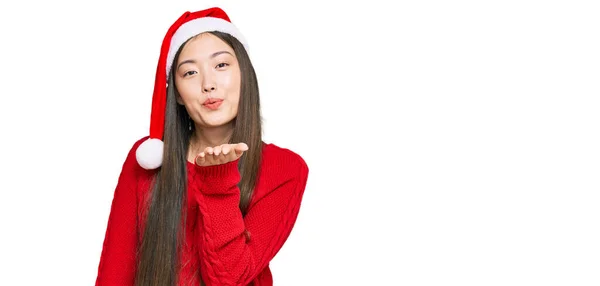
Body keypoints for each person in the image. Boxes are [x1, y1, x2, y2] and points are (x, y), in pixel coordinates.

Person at [95, 7, 310, 286]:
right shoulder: (148, 159)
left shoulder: (285, 169)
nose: (208, 84)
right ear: (179, 96)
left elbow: (230, 279)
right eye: (190, 72)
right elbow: (115, 271)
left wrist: (218, 182)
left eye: (221, 65)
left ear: (245, 74)